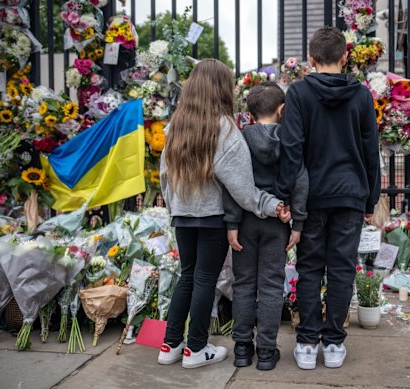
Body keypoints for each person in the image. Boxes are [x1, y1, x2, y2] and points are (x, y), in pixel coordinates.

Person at [157, 59, 290, 369]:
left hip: (182, 215)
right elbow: (243, 191)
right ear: (221, 88)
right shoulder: (224, 128)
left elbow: (164, 176)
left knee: (186, 277)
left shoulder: (175, 125)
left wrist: (175, 207)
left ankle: (170, 344)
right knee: (205, 279)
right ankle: (196, 348)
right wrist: (274, 206)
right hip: (212, 216)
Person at [274, 27, 381, 370]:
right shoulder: (362, 96)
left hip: (313, 195)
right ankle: (333, 342)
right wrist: (370, 200)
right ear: (345, 56)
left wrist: (288, 195)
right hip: (350, 194)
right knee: (341, 269)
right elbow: (370, 151)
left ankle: (306, 343)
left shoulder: (299, 94)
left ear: (310, 58)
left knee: (308, 268)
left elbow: (291, 149)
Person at [224, 82, 309, 371]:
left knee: (244, 284)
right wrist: (297, 220)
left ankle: (242, 349)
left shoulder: (240, 139)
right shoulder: (290, 140)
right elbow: (300, 180)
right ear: (282, 110)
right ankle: (267, 352)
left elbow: (234, 185)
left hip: (245, 222)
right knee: (272, 286)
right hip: (278, 222)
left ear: (248, 113)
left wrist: (231, 222)